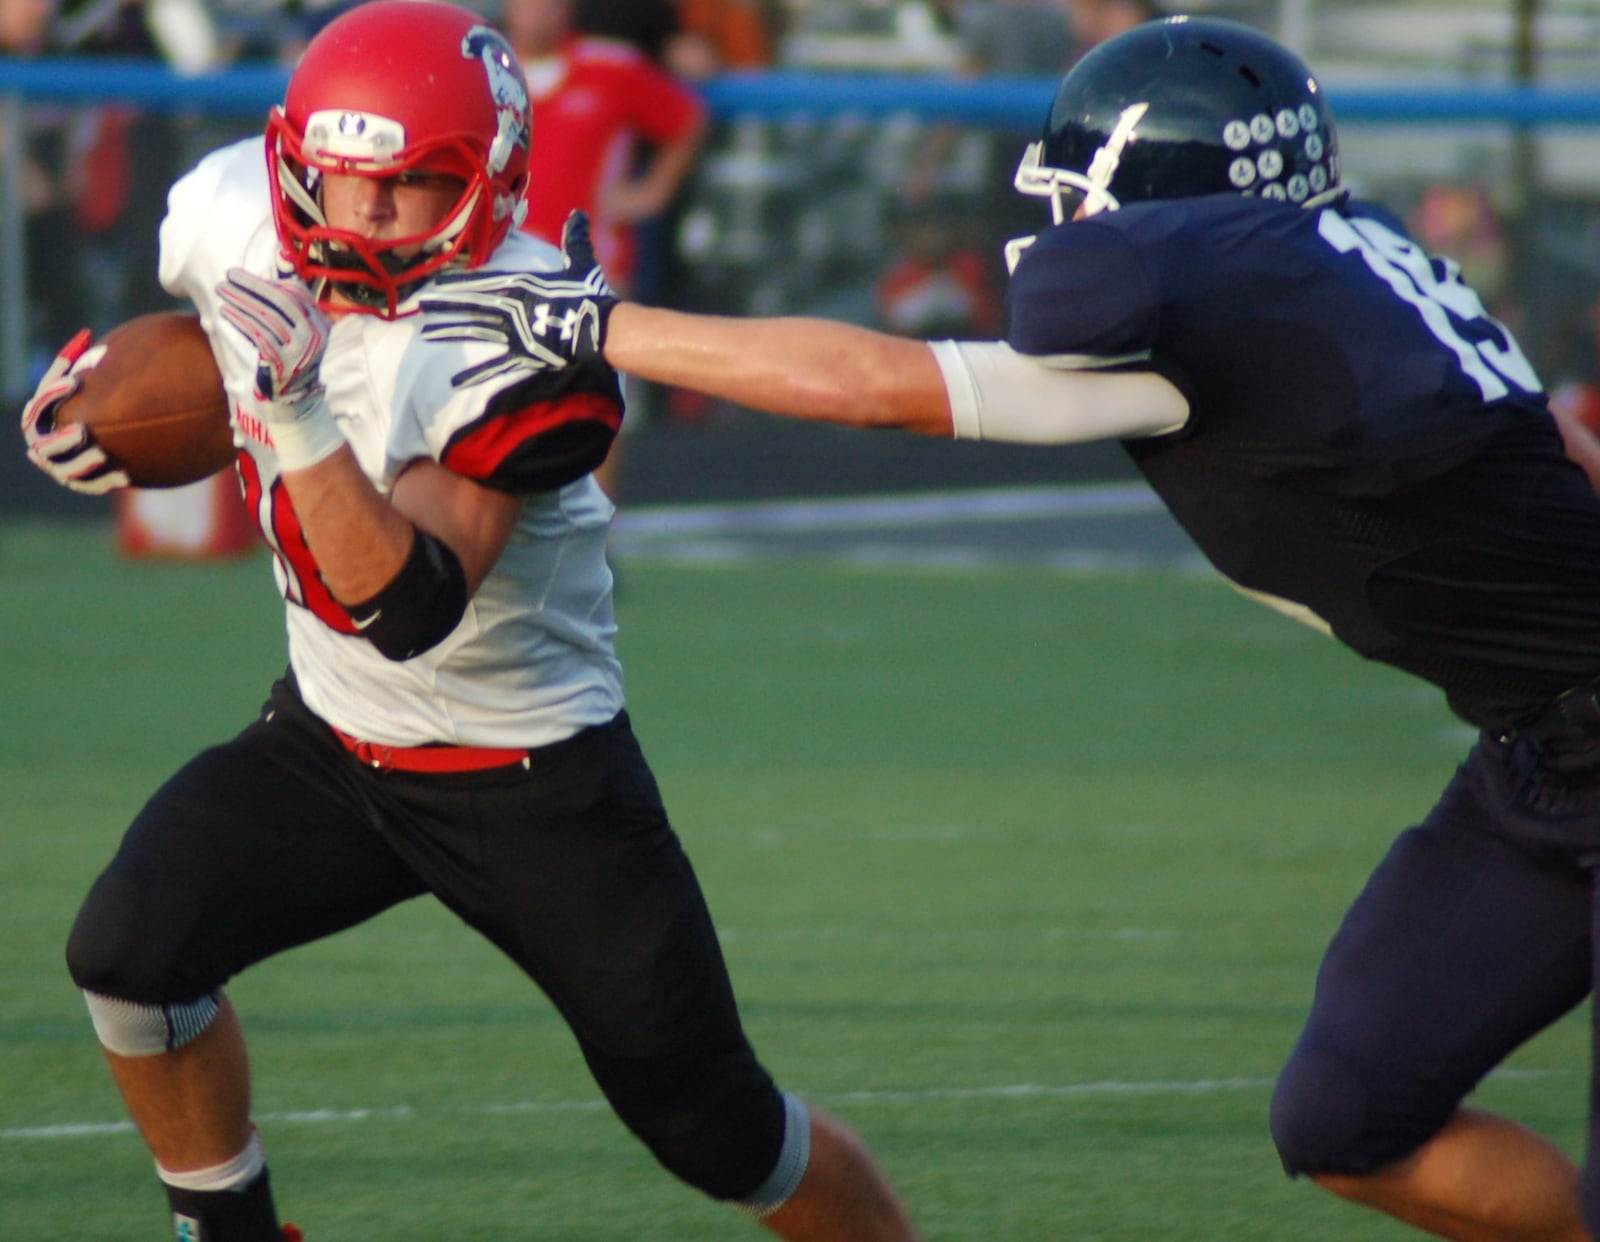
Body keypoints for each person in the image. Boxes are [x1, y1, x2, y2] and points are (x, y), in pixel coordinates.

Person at [417, 15, 1600, 1242]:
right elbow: (1562, 453)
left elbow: (878, 388)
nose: (1065, 221)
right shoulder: (1338, 270)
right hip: (1536, 757)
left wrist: (590, 324)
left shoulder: (1220, 310)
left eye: (1085, 192)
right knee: (1347, 1118)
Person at [17, 4, 920, 1241]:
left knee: (719, 1131)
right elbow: (202, 350)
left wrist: (287, 418)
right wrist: (115, 407)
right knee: (127, 952)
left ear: (486, 184)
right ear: (293, 157)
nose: (366, 214)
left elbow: (405, 605)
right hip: (333, 744)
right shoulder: (227, 209)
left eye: (412, 186)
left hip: (536, 777)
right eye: (341, 181)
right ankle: (225, 1229)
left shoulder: (529, 333)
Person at [502, 0, 707, 501]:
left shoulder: (610, 68)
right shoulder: (485, 70)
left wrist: (652, 191)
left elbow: (684, 118)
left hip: (588, 272)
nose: (538, 13)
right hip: (501, 270)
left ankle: (593, 535)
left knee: (596, 409)